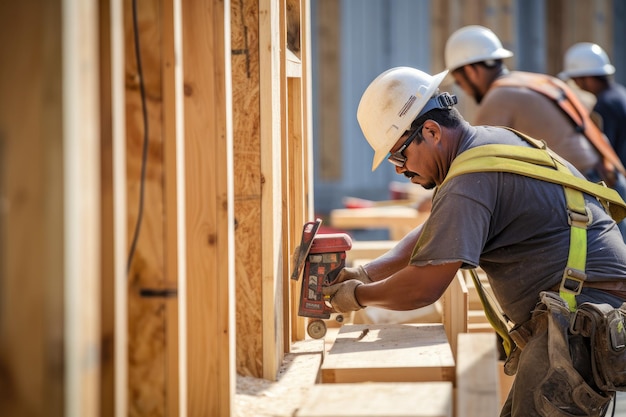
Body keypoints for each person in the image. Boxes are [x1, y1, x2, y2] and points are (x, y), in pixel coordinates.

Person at [323, 66, 626, 416]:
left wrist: (357, 297)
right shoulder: (487, 144)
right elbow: (436, 231)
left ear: (432, 131)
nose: (399, 169)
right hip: (587, 306)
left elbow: (425, 287)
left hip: (583, 316)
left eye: (398, 154)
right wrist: (368, 272)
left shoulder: (468, 178)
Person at [442, 26, 626, 242]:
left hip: (586, 197)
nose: (464, 90)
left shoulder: (499, 96)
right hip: (609, 184)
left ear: (471, 71)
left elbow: (471, 165)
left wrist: (438, 197)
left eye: (461, 82)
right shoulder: (540, 82)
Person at [559, 42, 626, 167]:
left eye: (575, 79)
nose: (575, 84)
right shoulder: (617, 93)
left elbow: (605, 149)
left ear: (587, 78)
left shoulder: (606, 103)